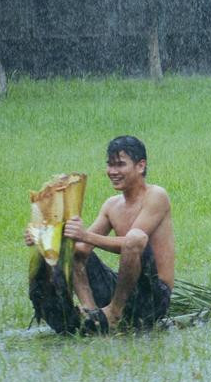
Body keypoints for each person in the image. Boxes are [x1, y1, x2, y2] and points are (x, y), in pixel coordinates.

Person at [26, 136, 175, 334]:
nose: (113, 172)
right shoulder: (111, 205)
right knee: (71, 247)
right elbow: (81, 250)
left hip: (153, 296)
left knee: (134, 238)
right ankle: (91, 312)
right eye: (110, 165)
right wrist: (43, 239)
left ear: (141, 166)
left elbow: (132, 242)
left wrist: (84, 235)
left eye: (120, 165)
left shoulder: (156, 196)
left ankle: (114, 313)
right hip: (121, 289)